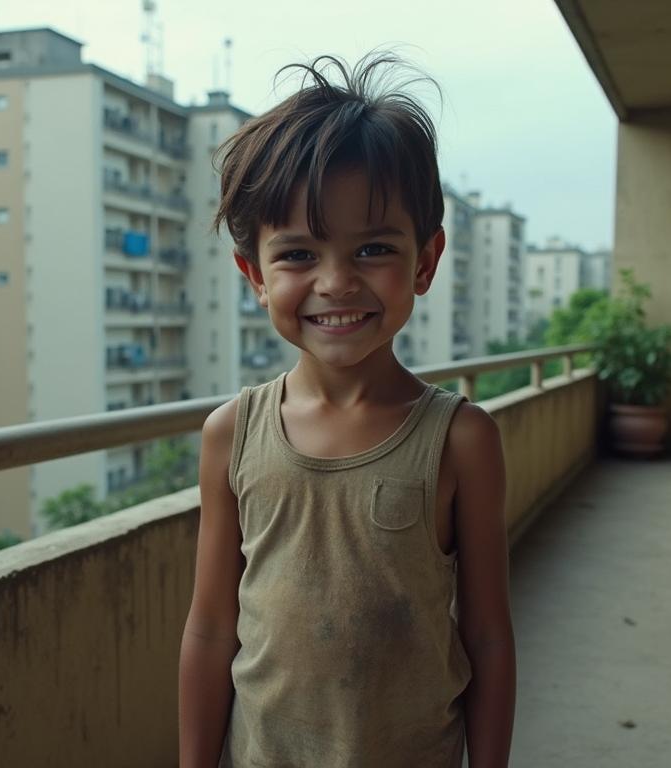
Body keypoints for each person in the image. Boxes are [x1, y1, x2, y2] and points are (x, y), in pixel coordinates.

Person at [179, 53, 515, 768]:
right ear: (255, 276)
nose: (336, 282)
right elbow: (211, 629)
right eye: (298, 254)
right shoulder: (231, 436)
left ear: (424, 262)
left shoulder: (461, 440)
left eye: (372, 249)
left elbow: (486, 635)